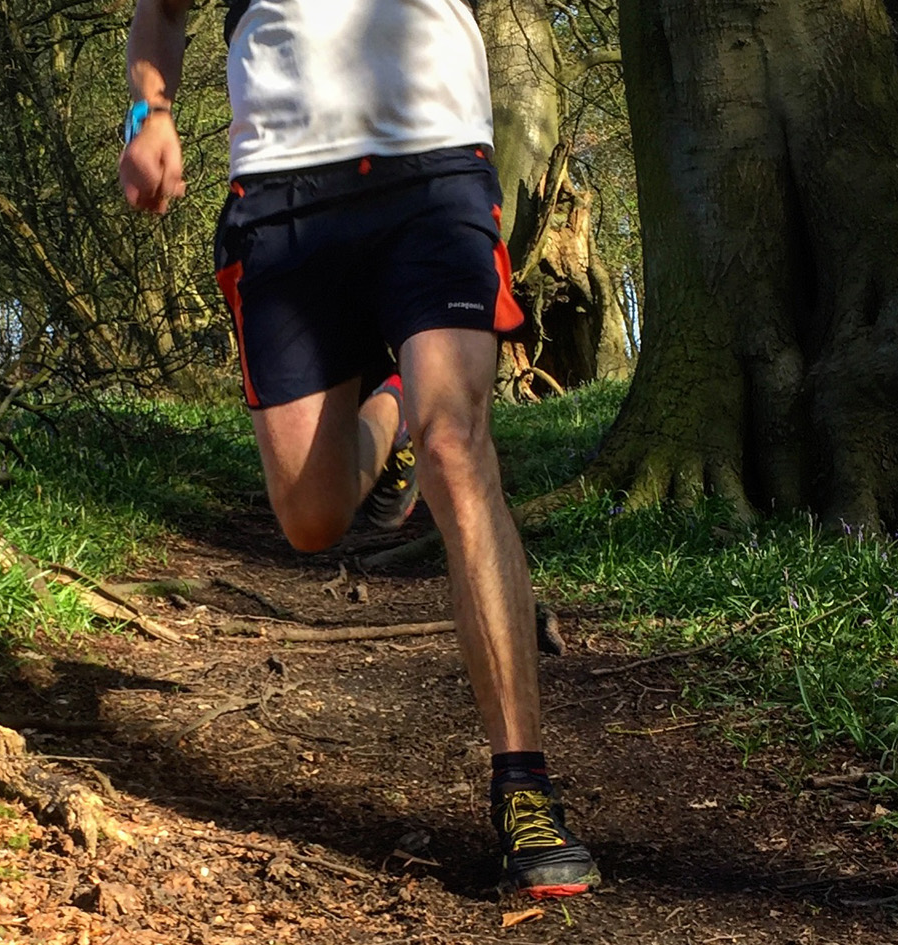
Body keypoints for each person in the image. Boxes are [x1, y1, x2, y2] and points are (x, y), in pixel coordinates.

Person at [118, 0, 598, 899]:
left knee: (458, 443)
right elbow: (163, 14)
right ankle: (392, 406)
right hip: (282, 195)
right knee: (310, 517)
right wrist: (152, 115)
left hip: (434, 167)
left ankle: (524, 788)